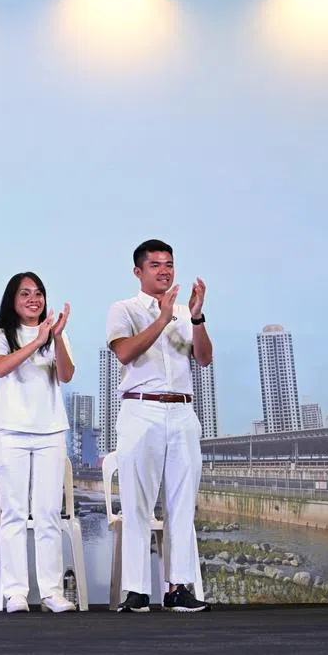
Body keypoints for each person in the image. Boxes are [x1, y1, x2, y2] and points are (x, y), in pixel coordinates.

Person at [106, 239, 212, 613]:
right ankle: (136, 590)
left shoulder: (186, 311)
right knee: (137, 504)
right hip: (141, 410)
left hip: (182, 411)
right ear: (138, 271)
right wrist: (163, 318)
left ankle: (178, 587)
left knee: (182, 505)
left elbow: (204, 358)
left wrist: (196, 317)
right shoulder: (124, 309)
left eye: (169, 264)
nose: (164, 271)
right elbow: (124, 352)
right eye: (155, 265)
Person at [0, 272, 77, 613]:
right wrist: (37, 342)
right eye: (25, 294)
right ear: (13, 299)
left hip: (51, 431)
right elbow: (0, 368)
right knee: (12, 513)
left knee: (48, 513)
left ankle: (51, 591)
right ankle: (16, 593)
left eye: (38, 293)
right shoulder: (2, 334)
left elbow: (66, 375)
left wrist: (58, 338)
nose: (33, 299)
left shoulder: (53, 335)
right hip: (9, 432)